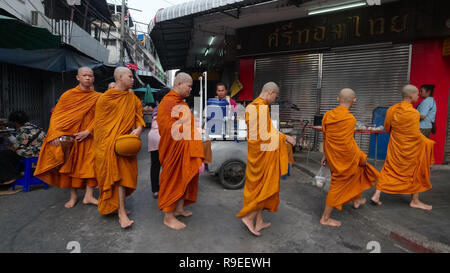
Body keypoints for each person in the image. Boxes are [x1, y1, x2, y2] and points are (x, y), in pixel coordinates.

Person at [34, 67, 101, 208]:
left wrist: (88, 131)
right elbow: (57, 116)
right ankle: (73, 196)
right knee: (71, 167)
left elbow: (100, 118)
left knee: (91, 165)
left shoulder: (98, 97)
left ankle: (89, 196)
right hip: (71, 137)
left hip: (89, 137)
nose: (88, 78)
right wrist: (54, 134)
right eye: (85, 75)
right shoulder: (68, 95)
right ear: (78, 78)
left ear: (93, 78)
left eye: (90, 75)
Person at [236, 82, 296, 236]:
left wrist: (280, 136)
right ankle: (249, 218)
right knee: (265, 187)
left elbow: (267, 130)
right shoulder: (260, 107)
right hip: (262, 155)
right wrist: (286, 137)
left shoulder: (254, 106)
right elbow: (265, 135)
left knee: (258, 187)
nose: (275, 100)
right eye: (275, 96)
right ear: (270, 92)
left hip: (257, 153)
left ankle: (259, 221)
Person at [319, 89, 380, 227]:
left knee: (357, 173)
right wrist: (360, 156)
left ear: (337, 99)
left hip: (333, 156)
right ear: (354, 101)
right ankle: (325, 218)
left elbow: (325, 137)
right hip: (344, 157)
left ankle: (356, 199)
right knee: (337, 185)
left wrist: (325, 154)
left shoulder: (327, 115)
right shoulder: (350, 119)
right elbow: (348, 143)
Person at [94, 67, 145, 229]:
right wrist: (110, 144)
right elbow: (100, 127)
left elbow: (139, 117)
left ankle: (119, 207)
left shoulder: (133, 98)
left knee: (123, 178)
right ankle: (121, 212)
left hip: (125, 145)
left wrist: (139, 128)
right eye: (130, 76)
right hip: (108, 146)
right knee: (117, 179)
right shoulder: (105, 99)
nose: (133, 80)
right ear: (120, 78)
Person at [371, 85, 434, 210]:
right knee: (417, 169)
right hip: (411, 149)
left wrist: (397, 137)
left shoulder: (392, 110)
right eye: (417, 95)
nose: (418, 97)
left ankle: (376, 195)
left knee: (389, 168)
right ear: (411, 96)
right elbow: (415, 133)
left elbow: (387, 127)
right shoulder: (414, 113)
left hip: (395, 146)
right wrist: (426, 142)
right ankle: (415, 201)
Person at [157, 72, 205, 230]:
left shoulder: (182, 104)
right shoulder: (168, 102)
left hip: (184, 148)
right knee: (172, 180)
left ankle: (179, 208)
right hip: (173, 150)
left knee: (185, 178)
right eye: (189, 86)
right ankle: (168, 217)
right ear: (178, 84)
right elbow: (168, 128)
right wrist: (192, 128)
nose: (191, 89)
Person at [0, 111, 45, 195]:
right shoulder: (32, 126)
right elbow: (21, 143)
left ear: (16, 122)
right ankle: (18, 172)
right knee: (8, 153)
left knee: (3, 155)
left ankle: (10, 177)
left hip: (33, 153)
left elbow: (16, 146)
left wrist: (9, 144)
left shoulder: (23, 130)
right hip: (40, 152)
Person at [148, 99, 161, 199]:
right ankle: (167, 188)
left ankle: (155, 190)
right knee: (167, 165)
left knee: (155, 165)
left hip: (152, 137)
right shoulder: (169, 108)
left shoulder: (155, 109)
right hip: (162, 137)